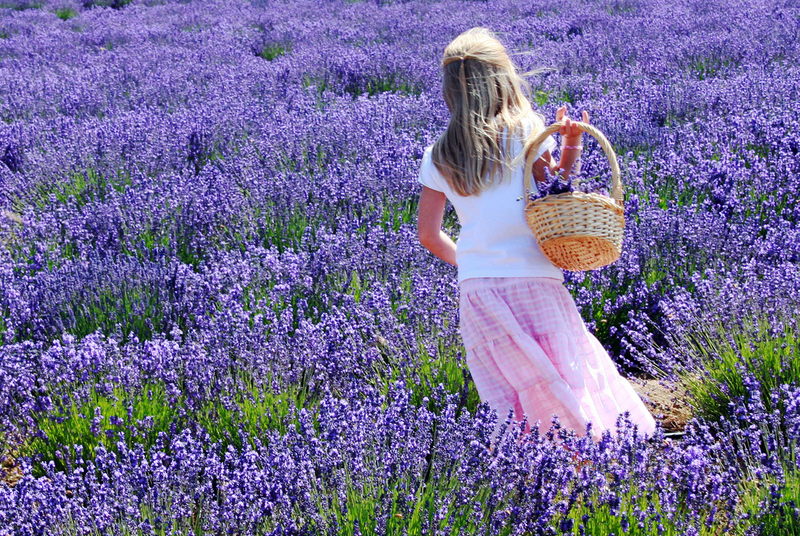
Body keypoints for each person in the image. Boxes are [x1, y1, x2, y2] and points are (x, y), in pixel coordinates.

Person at [416, 27, 657, 446]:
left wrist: (474, 262)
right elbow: (557, 192)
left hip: (477, 291)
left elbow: (429, 235)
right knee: (566, 369)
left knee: (514, 388)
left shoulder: (439, 154)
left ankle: (538, 470)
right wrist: (572, 142)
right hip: (534, 278)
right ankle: (594, 454)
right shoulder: (526, 129)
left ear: (450, 89)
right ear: (503, 78)